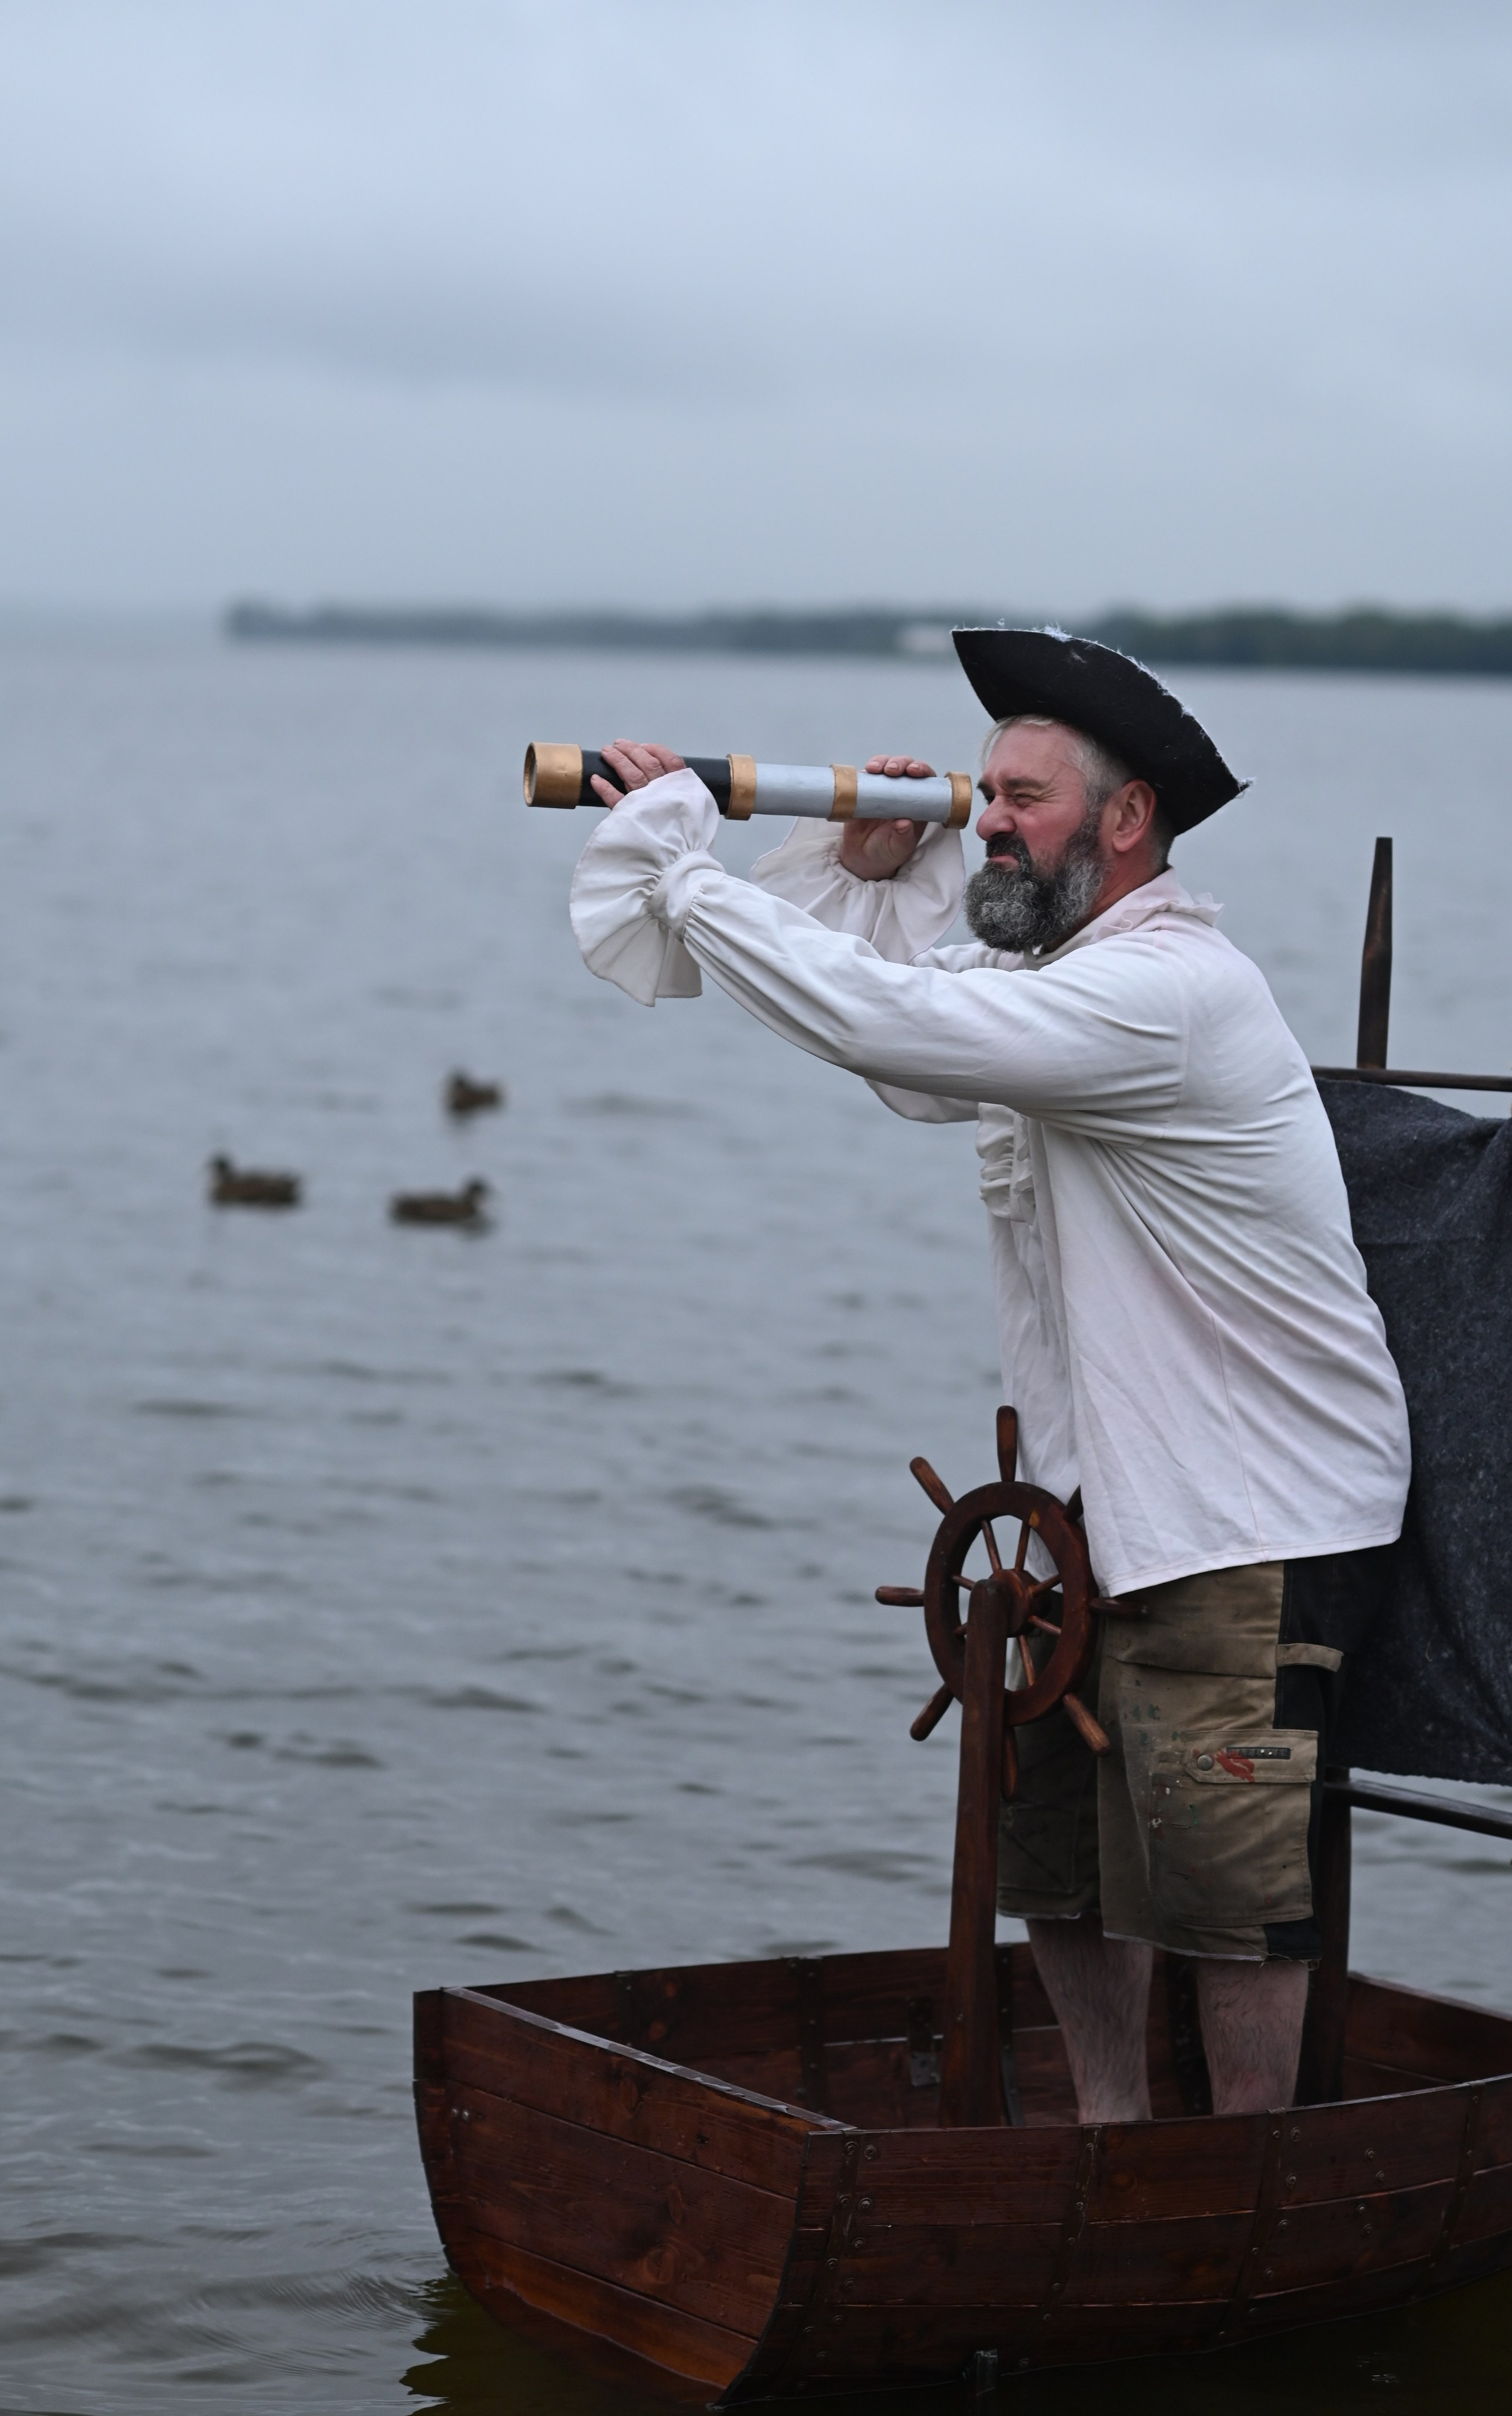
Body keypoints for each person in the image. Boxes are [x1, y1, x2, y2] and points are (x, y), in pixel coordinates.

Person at [571, 627, 1410, 2122]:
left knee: (1221, 1894)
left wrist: (685, 868)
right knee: (1059, 1862)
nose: (984, 820)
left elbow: (899, 1022)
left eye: (1016, 796)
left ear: (1125, 817)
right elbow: (917, 1054)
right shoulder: (1064, 981)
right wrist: (864, 873)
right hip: (1092, 1503)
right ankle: (1106, 2139)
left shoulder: (1170, 992)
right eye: (979, 791)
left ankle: (1244, 2179)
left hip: (1249, 1513)